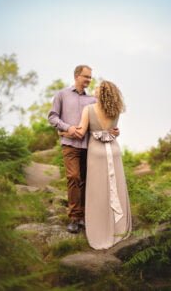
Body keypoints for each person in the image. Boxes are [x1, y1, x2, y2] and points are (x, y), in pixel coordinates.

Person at [48, 65, 119, 234]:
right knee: (73, 177)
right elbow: (52, 117)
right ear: (77, 76)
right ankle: (74, 218)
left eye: (90, 78)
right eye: (86, 77)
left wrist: (112, 129)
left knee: (87, 181)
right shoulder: (62, 95)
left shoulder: (93, 100)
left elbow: (103, 117)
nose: (88, 80)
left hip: (90, 146)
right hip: (70, 144)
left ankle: (86, 217)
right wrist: (67, 128)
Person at [69, 80, 132, 250]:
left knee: (97, 192)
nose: (94, 89)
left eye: (97, 88)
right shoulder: (116, 110)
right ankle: (117, 227)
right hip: (114, 151)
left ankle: (99, 228)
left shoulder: (89, 109)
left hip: (96, 153)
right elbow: (113, 131)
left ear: (101, 93)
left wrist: (64, 130)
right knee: (115, 189)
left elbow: (81, 132)